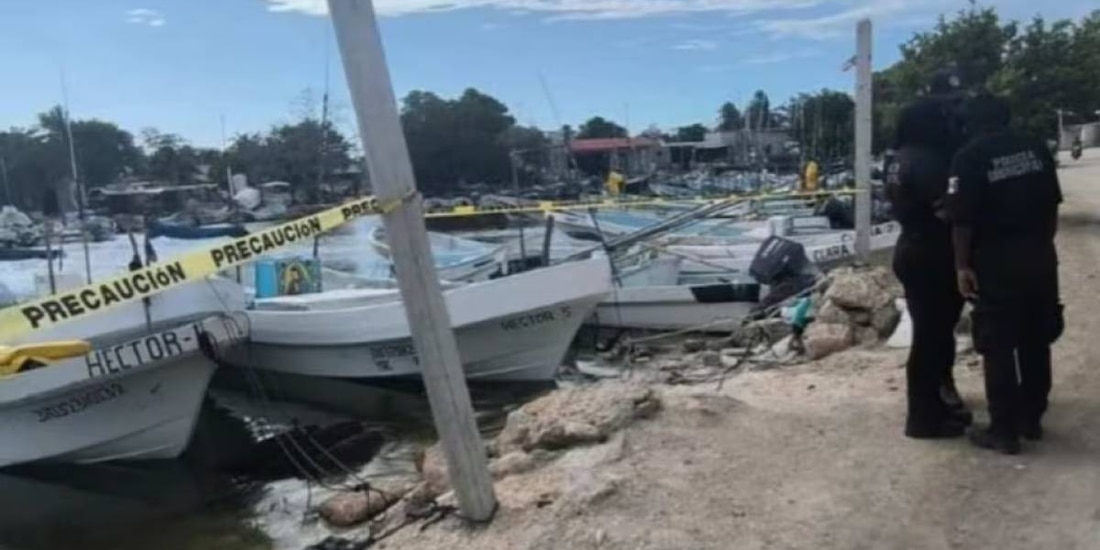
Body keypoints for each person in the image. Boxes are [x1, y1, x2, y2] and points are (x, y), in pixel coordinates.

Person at [947, 93, 1064, 455]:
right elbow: (1052, 205)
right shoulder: (1036, 149)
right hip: (1040, 255)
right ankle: (1032, 418)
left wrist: (962, 265)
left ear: (971, 123)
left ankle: (1003, 430)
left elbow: (962, 221)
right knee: (1035, 338)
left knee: (997, 344)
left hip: (995, 261)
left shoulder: (969, 157)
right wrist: (1041, 246)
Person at [887, 93, 971, 439]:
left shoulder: (897, 158)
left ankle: (934, 408)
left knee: (931, 334)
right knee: (931, 339)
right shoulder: (931, 159)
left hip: (909, 247)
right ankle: (923, 417)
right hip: (933, 252)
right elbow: (948, 210)